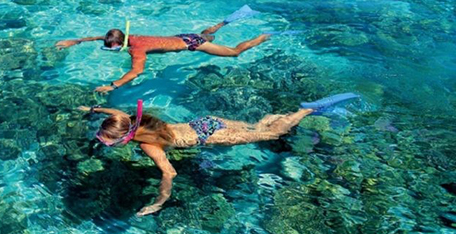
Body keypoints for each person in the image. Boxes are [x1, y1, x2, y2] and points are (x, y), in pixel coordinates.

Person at [80, 93, 357, 216]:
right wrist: (93, 110)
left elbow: (169, 173)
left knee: (271, 135)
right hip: (207, 122)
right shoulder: (129, 119)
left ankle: (306, 110)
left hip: (209, 136)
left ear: (126, 138)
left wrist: (159, 201)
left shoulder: (148, 146)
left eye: (109, 143)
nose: (106, 145)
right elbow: (112, 112)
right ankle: (276, 116)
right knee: (255, 128)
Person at [56, 6, 271, 93]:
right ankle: (224, 22)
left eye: (113, 49)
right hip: (183, 36)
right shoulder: (126, 37)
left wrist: (113, 86)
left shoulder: (137, 49)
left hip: (191, 43)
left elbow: (137, 72)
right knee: (207, 34)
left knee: (234, 53)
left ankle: (262, 36)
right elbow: (98, 37)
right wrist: (75, 41)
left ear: (121, 44)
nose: (110, 49)